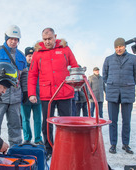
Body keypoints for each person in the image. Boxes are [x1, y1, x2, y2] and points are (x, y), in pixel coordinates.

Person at [28, 28, 78, 160]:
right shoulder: (38, 54)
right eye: (45, 39)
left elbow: (74, 67)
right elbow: (32, 75)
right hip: (47, 94)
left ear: (55, 37)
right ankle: (49, 149)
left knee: (66, 123)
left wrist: (77, 83)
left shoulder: (65, 50)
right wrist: (32, 93)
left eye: (50, 38)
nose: (47, 41)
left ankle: (67, 148)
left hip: (65, 92)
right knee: (47, 124)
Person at [103, 37, 136, 154]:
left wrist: (128, 84)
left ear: (125, 46)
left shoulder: (133, 59)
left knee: (126, 121)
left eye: (121, 46)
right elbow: (105, 75)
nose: (118, 49)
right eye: (116, 47)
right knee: (112, 121)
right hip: (113, 92)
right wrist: (112, 83)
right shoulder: (108, 59)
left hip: (127, 92)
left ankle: (126, 144)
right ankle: (113, 144)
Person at [21, 47, 43, 145]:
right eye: (29, 56)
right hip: (25, 98)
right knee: (25, 119)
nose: (31, 58)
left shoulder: (39, 67)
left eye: (33, 56)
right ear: (26, 56)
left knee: (38, 119)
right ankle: (27, 138)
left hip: (38, 97)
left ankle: (38, 138)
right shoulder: (22, 67)